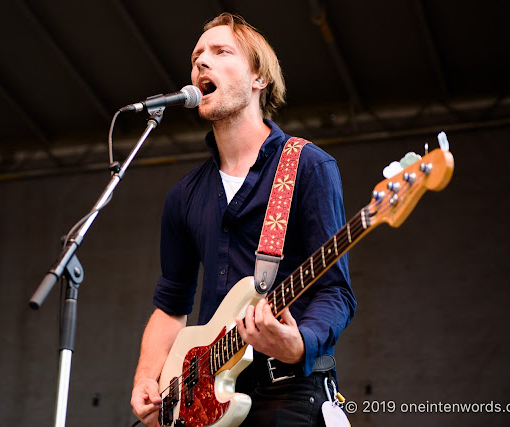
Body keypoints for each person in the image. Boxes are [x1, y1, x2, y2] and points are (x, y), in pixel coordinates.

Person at [130, 12, 356, 426]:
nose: (201, 61)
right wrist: (148, 375)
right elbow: (171, 305)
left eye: (221, 51)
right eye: (197, 54)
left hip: (289, 392)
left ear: (258, 79)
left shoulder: (307, 166)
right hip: (205, 404)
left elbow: (336, 291)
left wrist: (301, 343)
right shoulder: (184, 196)